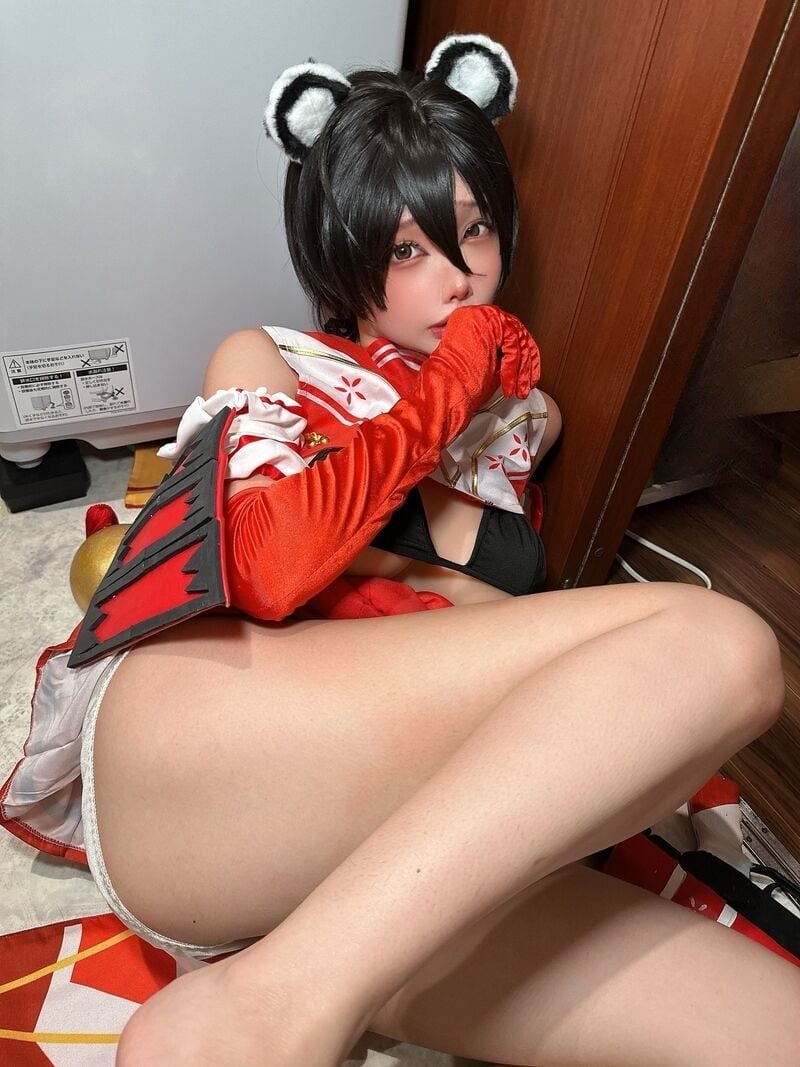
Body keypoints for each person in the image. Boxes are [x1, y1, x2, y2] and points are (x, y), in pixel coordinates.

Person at [3, 33, 799, 1067]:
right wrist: (450, 395)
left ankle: (280, 986)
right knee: (722, 649)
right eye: (406, 250)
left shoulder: (525, 423)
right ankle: (283, 1006)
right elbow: (274, 562)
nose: (458, 278)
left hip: (371, 872)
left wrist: (449, 520)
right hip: (209, 750)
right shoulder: (272, 356)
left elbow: (501, 664)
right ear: (337, 259)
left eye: (473, 233)